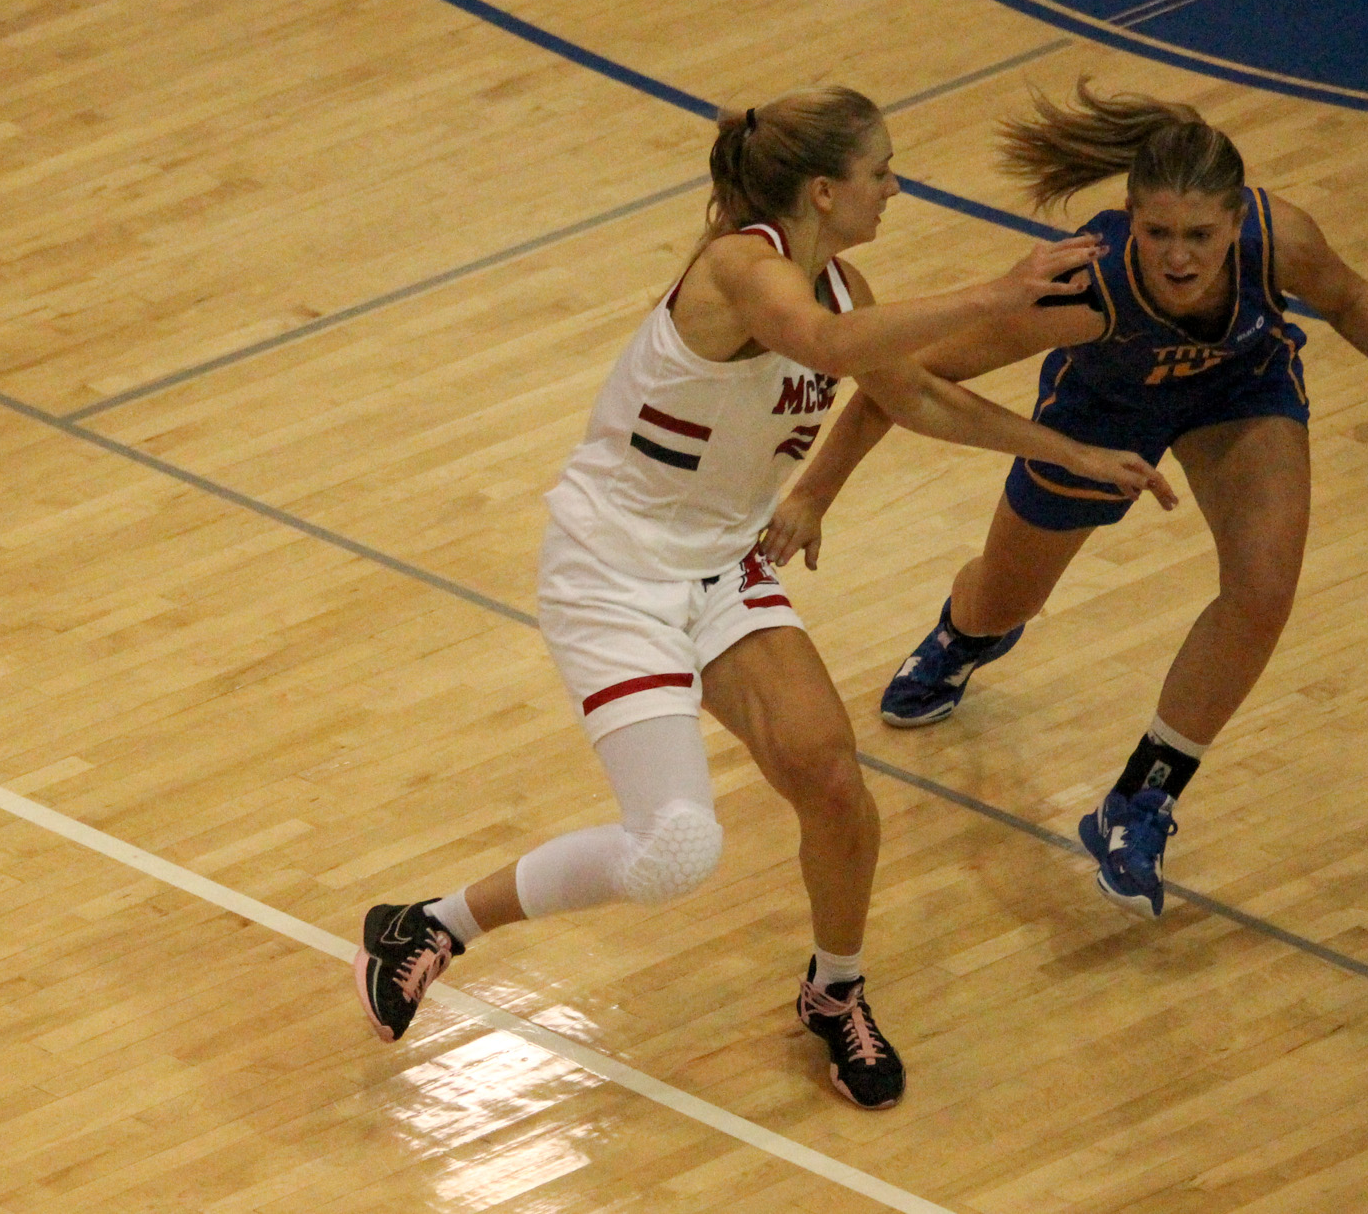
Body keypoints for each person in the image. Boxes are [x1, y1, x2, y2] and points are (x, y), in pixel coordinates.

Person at [353, 87, 1175, 1109]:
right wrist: (994, 295)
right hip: (612, 571)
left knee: (831, 781)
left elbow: (906, 392)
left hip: (718, 565)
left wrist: (1073, 453)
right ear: (824, 190)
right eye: (879, 171)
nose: (894, 185)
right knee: (674, 850)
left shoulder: (838, 281)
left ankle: (833, 995)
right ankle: (430, 923)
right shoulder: (739, 267)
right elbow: (830, 354)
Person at [769, 80, 1368, 920]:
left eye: (1200, 235)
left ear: (1238, 222)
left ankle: (1142, 799)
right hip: (1103, 413)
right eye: (1159, 232)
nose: (1178, 256)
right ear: (1130, 221)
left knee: (1264, 589)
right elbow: (905, 382)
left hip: (1238, 389)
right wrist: (814, 493)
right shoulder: (1081, 289)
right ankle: (963, 635)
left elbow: (1349, 300)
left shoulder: (1279, 241)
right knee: (1005, 598)